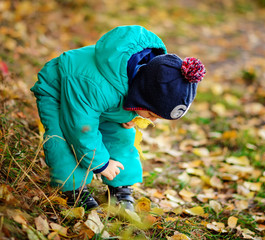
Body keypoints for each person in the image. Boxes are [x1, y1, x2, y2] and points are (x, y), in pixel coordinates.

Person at [30, 25, 206, 211]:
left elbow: (127, 95)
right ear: (141, 98)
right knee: (64, 136)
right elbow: (80, 127)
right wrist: (100, 163)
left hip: (98, 100)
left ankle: (120, 187)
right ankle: (74, 190)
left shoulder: (145, 77)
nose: (153, 121)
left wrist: (131, 114)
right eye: (152, 115)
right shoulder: (96, 87)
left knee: (122, 134)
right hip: (59, 91)